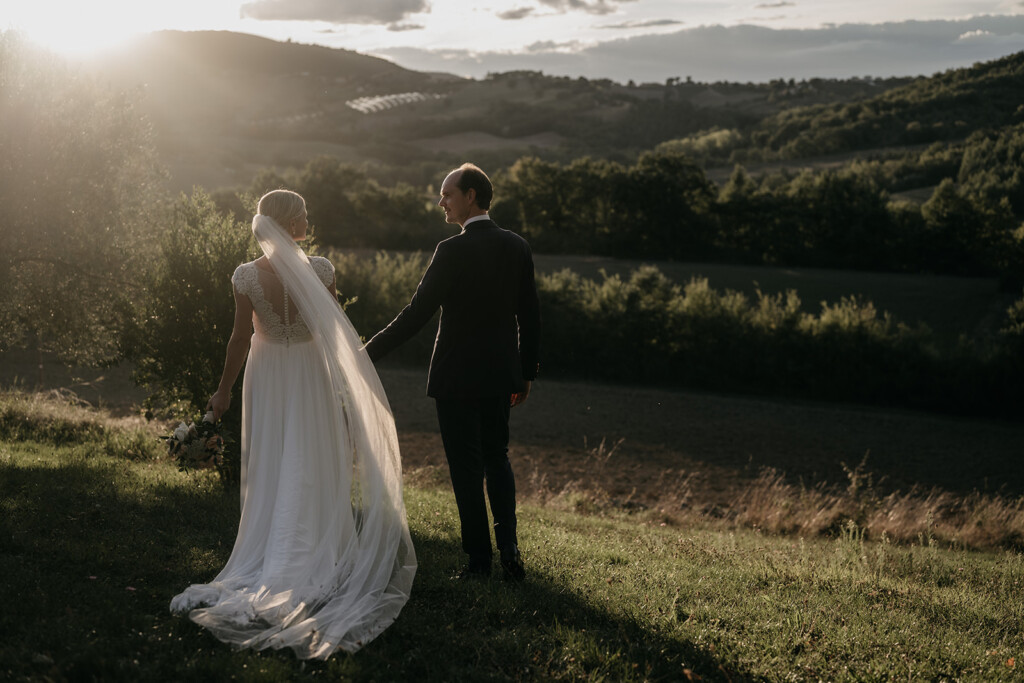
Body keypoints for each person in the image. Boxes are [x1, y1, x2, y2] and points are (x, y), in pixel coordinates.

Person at [170, 190, 416, 659]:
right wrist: (352, 382)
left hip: (266, 374)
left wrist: (223, 391)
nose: (308, 218)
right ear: (289, 222)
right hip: (309, 372)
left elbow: (240, 338)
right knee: (311, 456)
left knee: (274, 456)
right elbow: (334, 332)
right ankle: (310, 549)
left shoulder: (246, 276)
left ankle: (278, 553)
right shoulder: (320, 270)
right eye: (302, 214)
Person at [364, 163, 540, 582]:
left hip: (456, 377)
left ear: (471, 196)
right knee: (497, 457)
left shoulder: (451, 250)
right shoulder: (517, 246)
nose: (440, 201)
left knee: (466, 468)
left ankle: (479, 561)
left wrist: (365, 354)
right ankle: (510, 550)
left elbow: (415, 315)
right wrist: (525, 373)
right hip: (501, 375)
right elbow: (531, 317)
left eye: (447, 194)